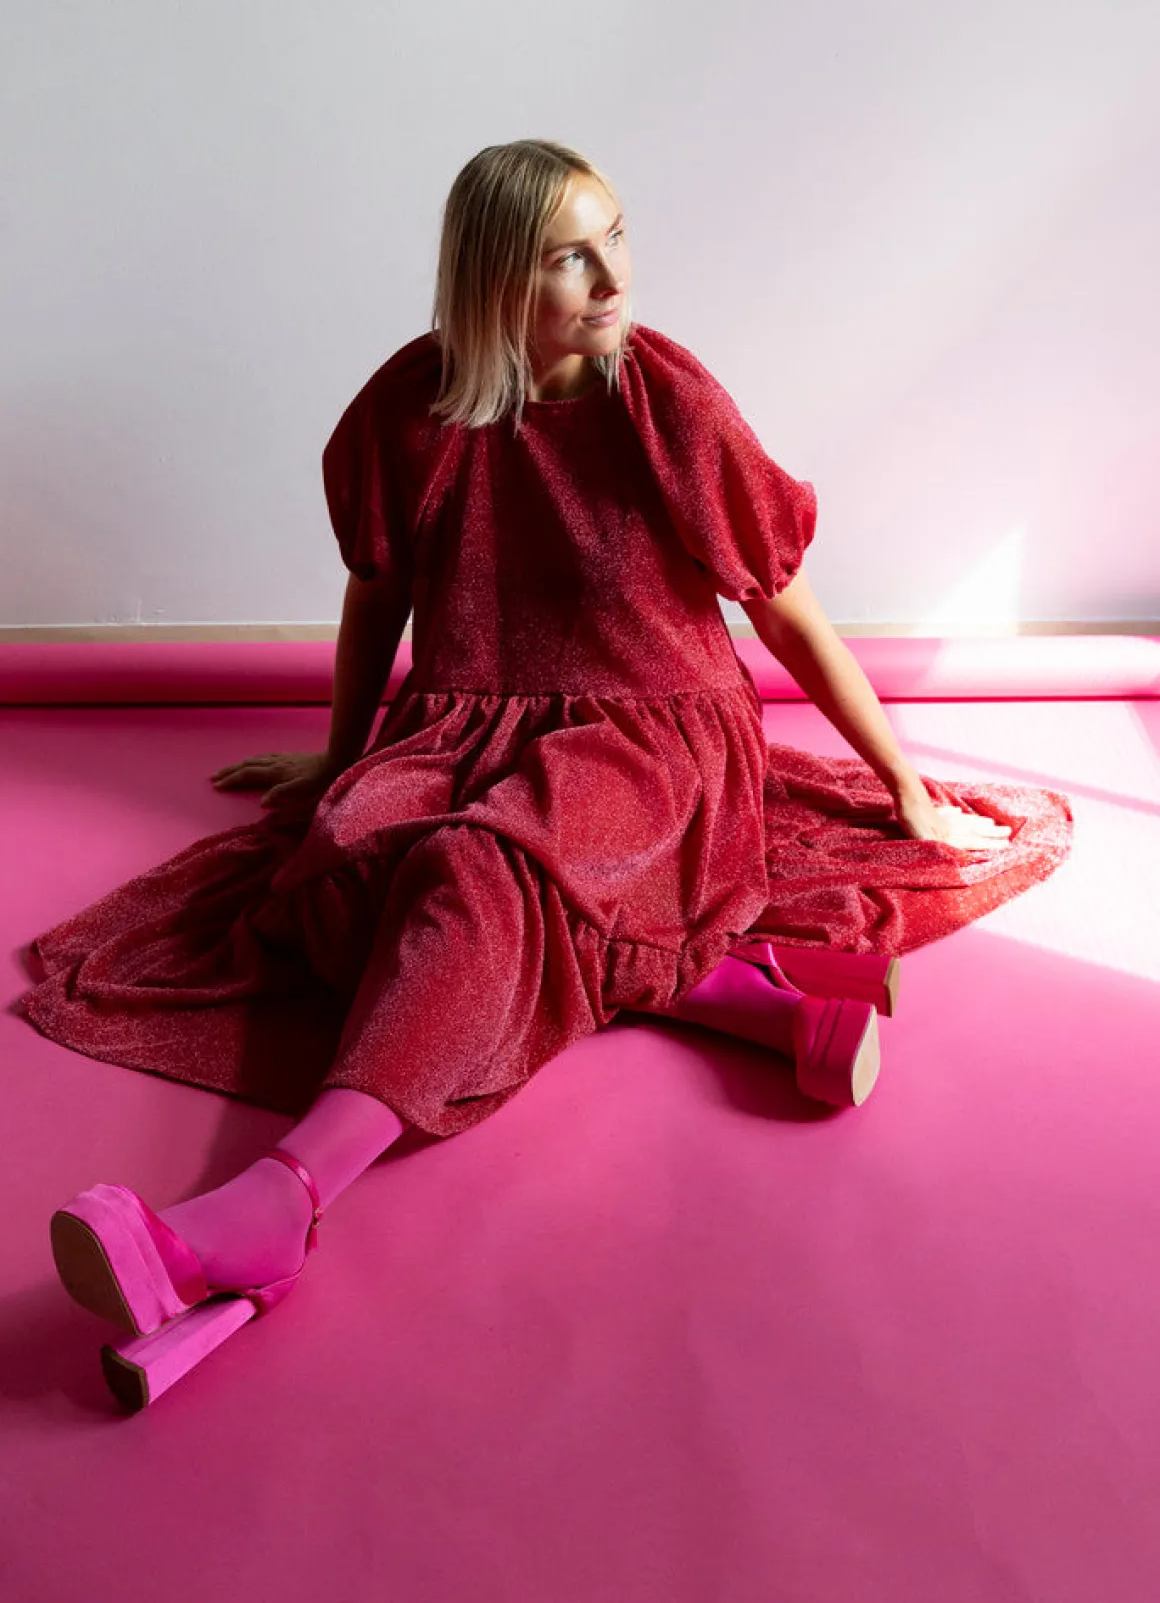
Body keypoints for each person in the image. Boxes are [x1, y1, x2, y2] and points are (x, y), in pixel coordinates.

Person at [20, 139, 1069, 1411]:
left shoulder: (665, 404)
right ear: (494, 282)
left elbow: (781, 607)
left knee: (478, 871)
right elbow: (376, 600)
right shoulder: (410, 410)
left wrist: (899, 782)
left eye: (613, 237)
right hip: (465, 728)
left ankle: (273, 1204)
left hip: (652, 737)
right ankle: (724, 991)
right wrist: (343, 761)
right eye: (569, 257)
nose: (611, 276)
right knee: (348, 871)